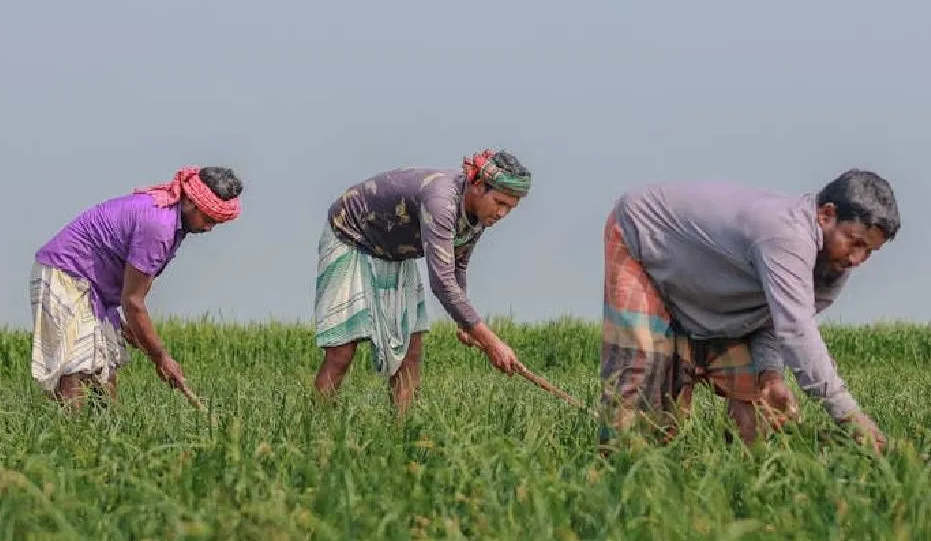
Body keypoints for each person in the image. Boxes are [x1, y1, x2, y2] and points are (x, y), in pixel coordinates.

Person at [599, 168, 899, 453]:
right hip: (641, 237)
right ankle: (618, 467)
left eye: (870, 251)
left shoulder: (833, 268)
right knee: (639, 369)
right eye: (855, 242)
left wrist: (770, 374)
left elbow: (771, 320)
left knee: (754, 403)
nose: (858, 259)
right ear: (826, 214)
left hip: (707, 285)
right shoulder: (786, 237)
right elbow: (797, 332)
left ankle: (739, 475)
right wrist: (852, 419)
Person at [313, 148, 532, 416]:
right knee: (342, 350)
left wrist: (464, 323)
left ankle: (403, 438)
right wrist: (492, 343)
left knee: (411, 352)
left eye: (510, 207)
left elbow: (457, 263)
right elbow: (441, 282)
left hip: (393, 251)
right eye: (500, 203)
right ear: (478, 186)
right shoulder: (442, 202)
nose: (502, 214)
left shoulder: (478, 217)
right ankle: (316, 428)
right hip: (351, 235)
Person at [29, 166, 243, 412]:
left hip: (94, 289)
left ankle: (105, 441)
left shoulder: (172, 222)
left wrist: (132, 330)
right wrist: (161, 358)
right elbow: (133, 302)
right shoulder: (159, 226)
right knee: (76, 366)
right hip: (66, 275)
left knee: (104, 367)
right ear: (190, 203)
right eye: (208, 219)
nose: (209, 228)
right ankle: (71, 441)